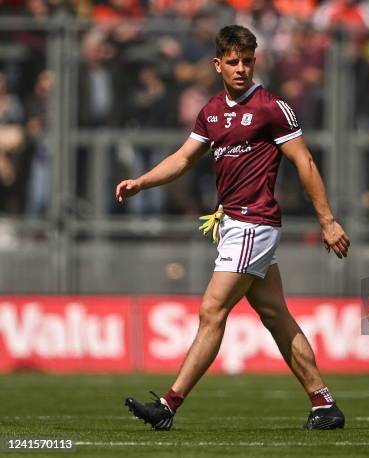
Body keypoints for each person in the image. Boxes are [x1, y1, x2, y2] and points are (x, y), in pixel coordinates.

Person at [118, 25, 350, 431]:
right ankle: (323, 404)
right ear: (218, 64)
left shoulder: (271, 107)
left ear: (254, 62)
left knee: (212, 311)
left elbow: (305, 162)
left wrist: (327, 220)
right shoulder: (211, 111)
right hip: (234, 224)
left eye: (247, 61)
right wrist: (141, 182)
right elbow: (183, 159)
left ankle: (168, 407)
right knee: (276, 315)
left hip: (253, 223)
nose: (241, 69)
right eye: (233, 61)